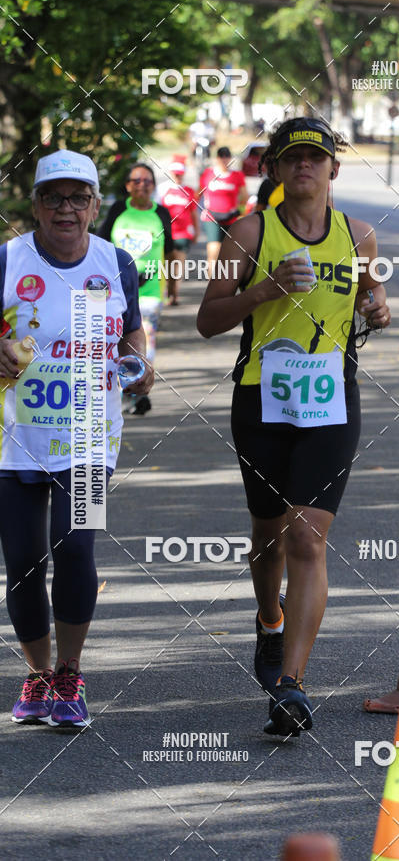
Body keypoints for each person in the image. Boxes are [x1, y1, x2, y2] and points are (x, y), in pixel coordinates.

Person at [197, 117, 391, 737]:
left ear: (333, 167)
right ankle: (269, 619)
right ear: (276, 171)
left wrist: (377, 308)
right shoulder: (248, 234)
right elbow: (207, 320)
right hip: (261, 399)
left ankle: (292, 684)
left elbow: (369, 303)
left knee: (308, 537)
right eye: (292, 158)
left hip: (331, 400)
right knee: (268, 531)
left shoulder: (359, 236)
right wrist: (264, 291)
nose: (304, 165)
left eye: (315, 156)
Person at [0, 148, 153, 727]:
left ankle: (69, 671)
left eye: (78, 198)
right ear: (36, 205)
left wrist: (140, 364)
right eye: (53, 197)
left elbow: (133, 336)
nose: (66, 208)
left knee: (76, 547)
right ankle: (37, 675)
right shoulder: (7, 261)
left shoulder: (116, 263)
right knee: (22, 562)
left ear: (95, 206)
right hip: (14, 436)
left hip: (90, 433)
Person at [98, 162, 172, 414]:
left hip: (150, 292)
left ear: (153, 186)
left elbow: (172, 252)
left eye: (147, 181)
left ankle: (133, 391)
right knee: (114, 341)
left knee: (143, 342)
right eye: (136, 181)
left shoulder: (162, 213)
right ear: (128, 185)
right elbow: (99, 246)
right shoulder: (119, 210)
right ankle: (122, 390)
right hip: (116, 291)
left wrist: (174, 287)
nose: (142, 185)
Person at [158, 159, 199, 306]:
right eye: (175, 174)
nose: (177, 177)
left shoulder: (189, 191)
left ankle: (174, 294)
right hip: (167, 233)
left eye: (180, 174)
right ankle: (168, 290)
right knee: (167, 265)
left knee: (178, 264)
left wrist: (196, 231)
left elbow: (194, 213)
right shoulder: (162, 189)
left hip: (183, 233)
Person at [199, 147, 248, 269]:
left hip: (231, 217)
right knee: (213, 251)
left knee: (229, 254)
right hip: (212, 217)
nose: (224, 159)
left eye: (227, 156)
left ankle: (226, 284)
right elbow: (198, 193)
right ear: (217, 158)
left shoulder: (237, 175)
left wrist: (239, 211)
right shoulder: (208, 173)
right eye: (222, 156)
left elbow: (245, 196)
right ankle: (212, 282)